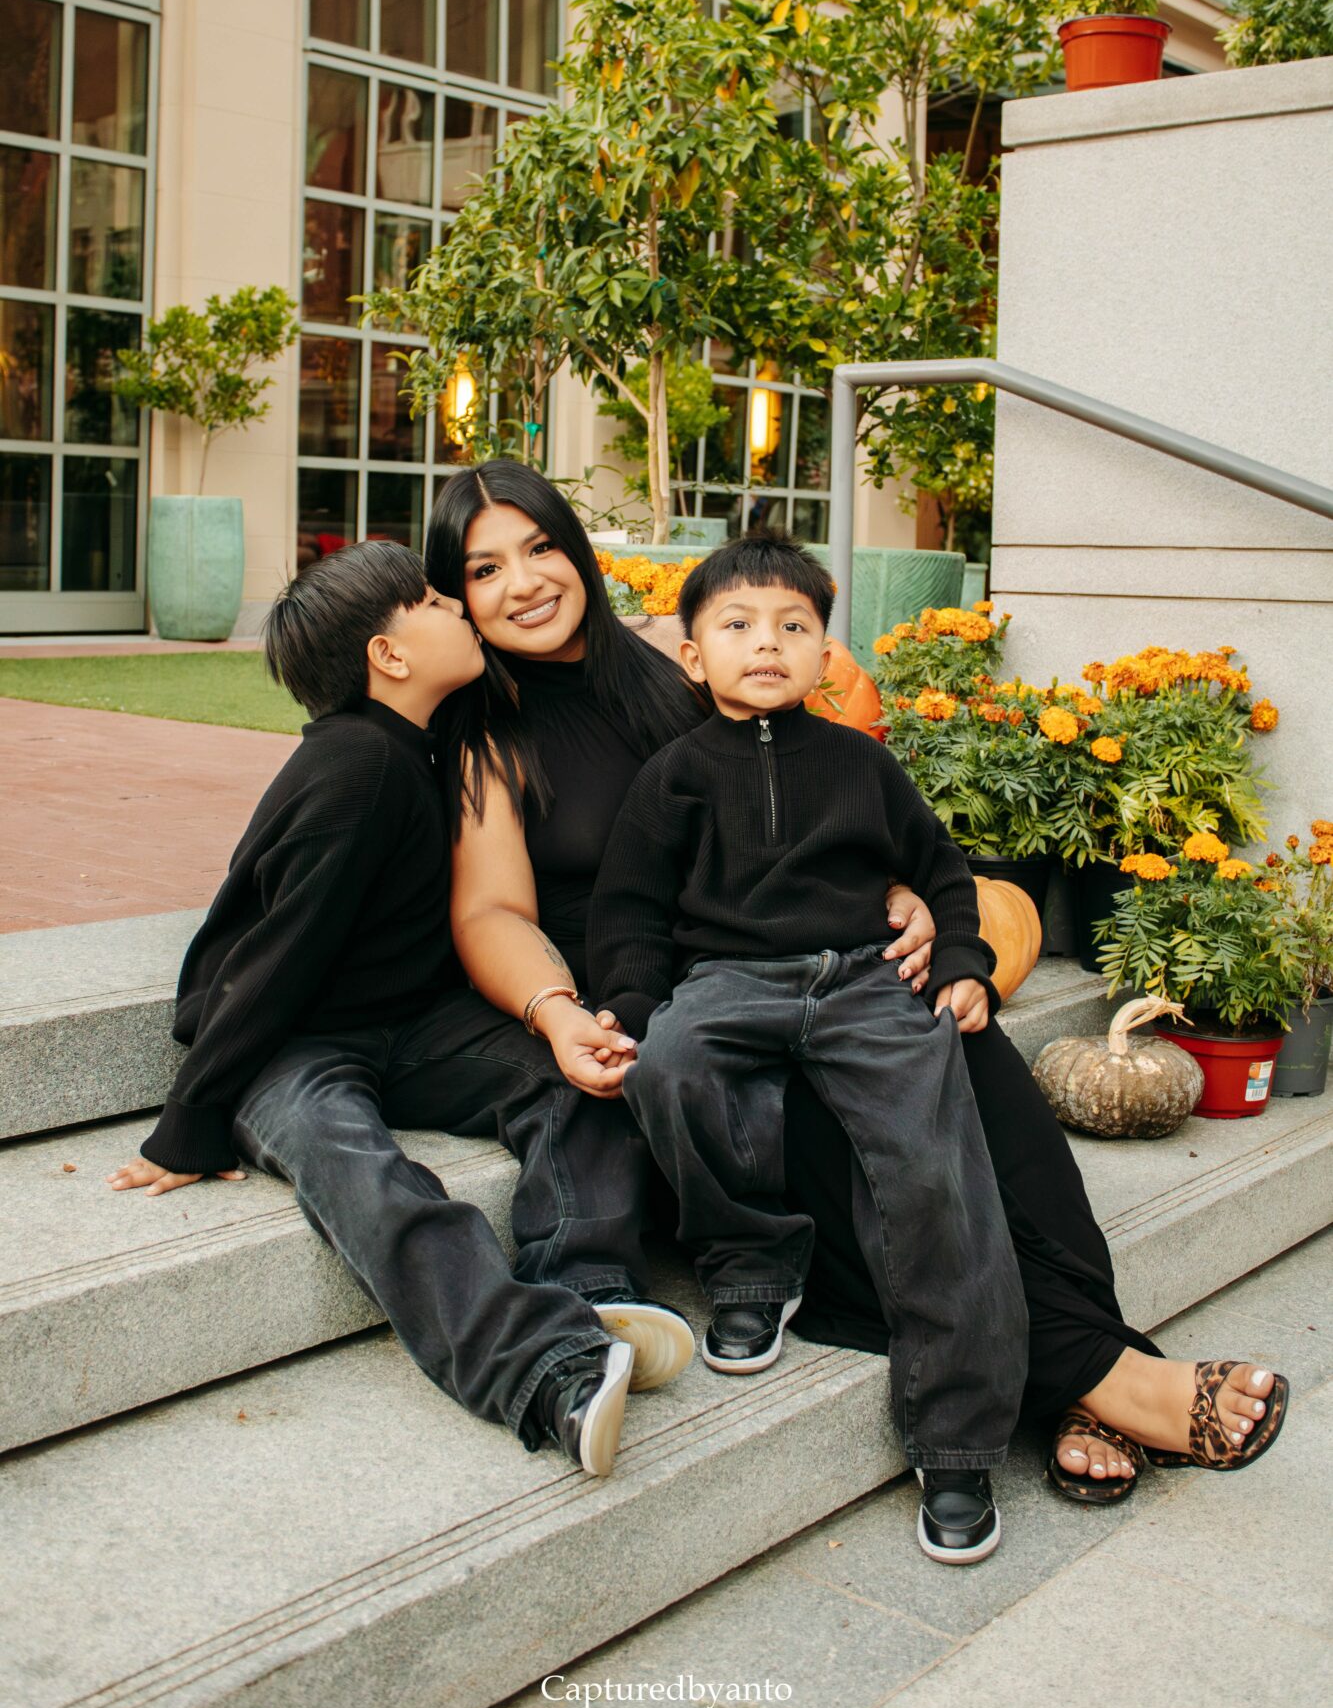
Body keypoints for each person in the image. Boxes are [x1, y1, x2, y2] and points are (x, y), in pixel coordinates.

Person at [431, 461, 1288, 1501]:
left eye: (540, 545)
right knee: (879, 1169)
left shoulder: (679, 657)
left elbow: (818, 798)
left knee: (983, 1079)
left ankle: (1091, 1356)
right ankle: (1099, 1377)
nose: (523, 579)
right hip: (685, 1006)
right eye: (484, 566)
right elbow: (491, 914)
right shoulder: (484, 735)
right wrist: (570, 1012)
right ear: (456, 591)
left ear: (576, 547)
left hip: (827, 969)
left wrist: (910, 896)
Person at [107, 541, 693, 1477]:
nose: (460, 604)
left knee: (578, 1076)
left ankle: (587, 1283)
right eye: (430, 598)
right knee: (359, 1167)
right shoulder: (355, 769)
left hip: (410, 1027)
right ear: (389, 655)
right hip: (287, 1043)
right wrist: (190, 1123)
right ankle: (544, 1370)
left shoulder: (427, 741)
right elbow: (273, 959)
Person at [587, 531, 1029, 1563]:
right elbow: (629, 908)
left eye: (794, 625)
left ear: (828, 653)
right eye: (736, 626)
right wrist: (629, 1002)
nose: (767, 644)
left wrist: (960, 958)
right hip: (725, 983)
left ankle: (956, 1437)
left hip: (864, 978)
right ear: (692, 655)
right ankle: (749, 1265)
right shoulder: (673, 776)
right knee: (670, 1064)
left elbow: (941, 867)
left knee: (932, 1162)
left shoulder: (864, 764)